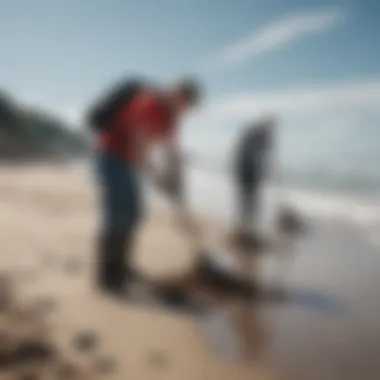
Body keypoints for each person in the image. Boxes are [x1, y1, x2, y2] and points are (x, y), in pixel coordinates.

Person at [91, 77, 201, 297]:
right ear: (176, 92)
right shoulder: (147, 103)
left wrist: (178, 185)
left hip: (128, 161)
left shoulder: (171, 118)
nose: (181, 108)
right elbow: (138, 146)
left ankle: (122, 266)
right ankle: (107, 276)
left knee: (134, 213)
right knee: (117, 215)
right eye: (181, 101)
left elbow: (173, 153)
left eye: (185, 107)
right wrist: (160, 180)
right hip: (110, 156)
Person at [232, 115, 276, 232]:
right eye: (267, 125)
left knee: (253, 197)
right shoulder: (252, 133)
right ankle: (243, 223)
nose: (268, 129)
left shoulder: (268, 138)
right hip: (244, 168)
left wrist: (265, 170)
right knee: (245, 195)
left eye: (270, 127)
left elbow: (266, 156)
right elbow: (241, 151)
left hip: (254, 171)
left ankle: (250, 223)